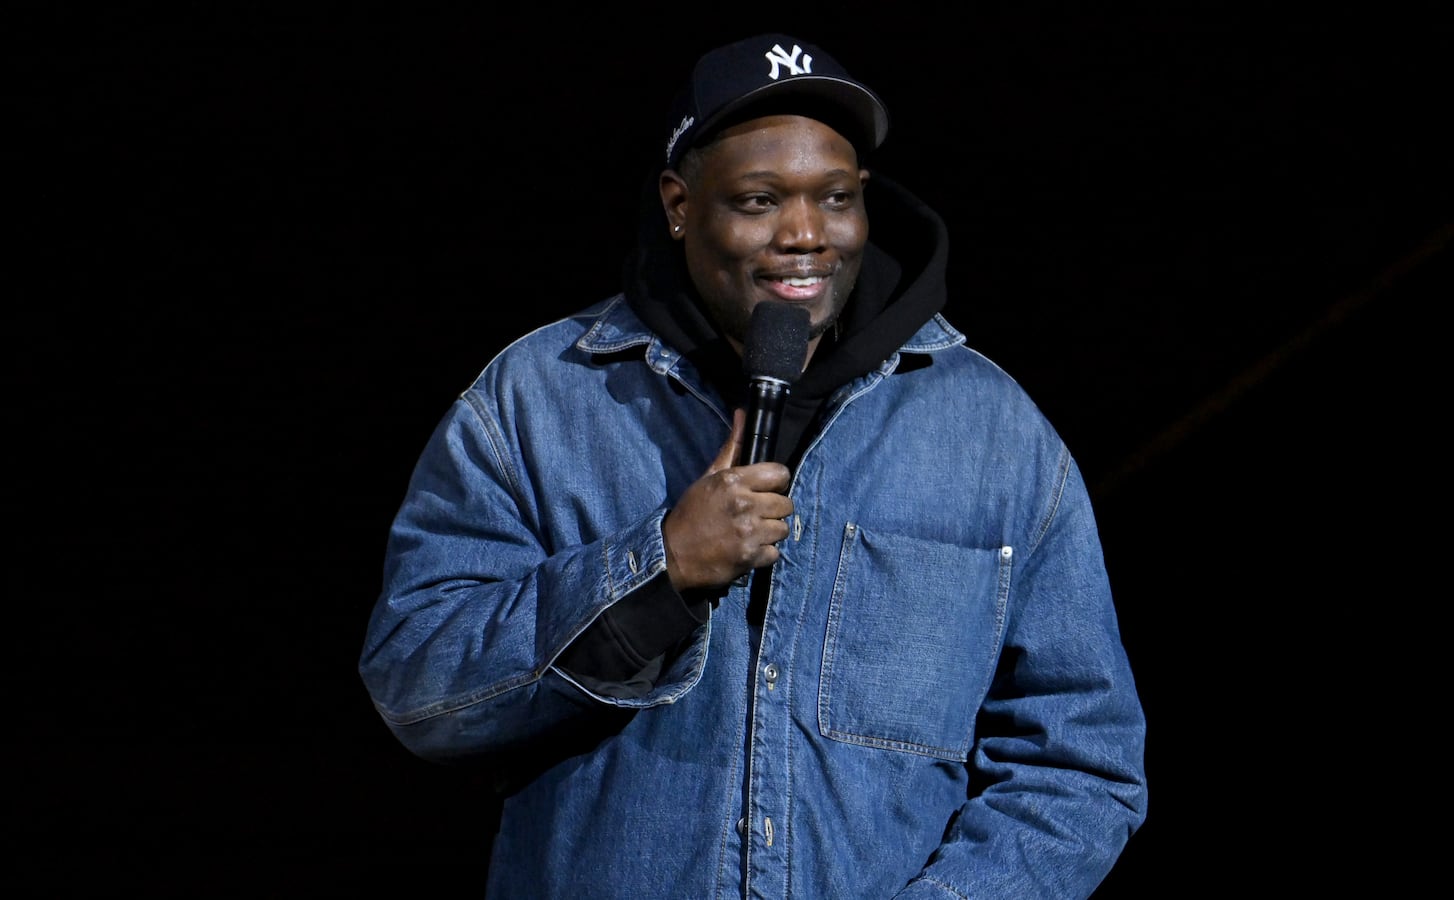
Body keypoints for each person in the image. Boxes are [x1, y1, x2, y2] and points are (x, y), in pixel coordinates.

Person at [359, 32, 1148, 899]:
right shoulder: (535, 404)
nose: (805, 235)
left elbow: (1081, 761)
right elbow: (419, 688)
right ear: (679, 204)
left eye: (836, 197)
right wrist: (657, 570)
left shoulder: (994, 433)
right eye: (759, 199)